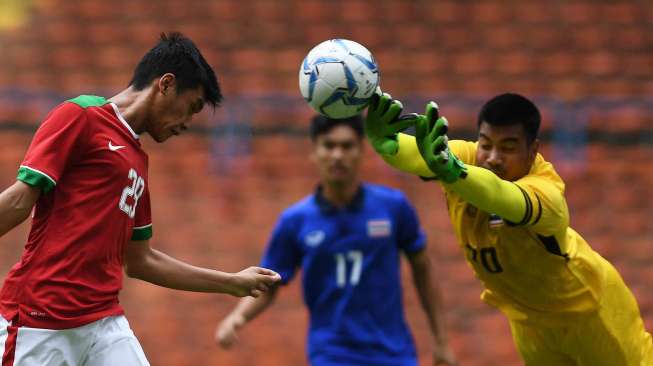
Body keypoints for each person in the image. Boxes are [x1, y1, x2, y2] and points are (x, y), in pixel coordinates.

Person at [0, 32, 281, 366]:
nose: (189, 123)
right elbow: (20, 200)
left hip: (103, 323)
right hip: (40, 319)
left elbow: (141, 261)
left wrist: (231, 282)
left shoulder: (136, 160)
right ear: (165, 84)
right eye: (191, 108)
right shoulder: (81, 116)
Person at [363, 91, 653, 365]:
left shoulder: (546, 192)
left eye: (508, 148)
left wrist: (452, 171)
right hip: (529, 321)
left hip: (588, 313)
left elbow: (502, 196)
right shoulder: (465, 157)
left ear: (532, 150)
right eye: (486, 144)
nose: (493, 158)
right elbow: (416, 154)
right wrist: (386, 145)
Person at [215, 114, 457, 366]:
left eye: (347, 146)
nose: (338, 155)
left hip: (394, 352)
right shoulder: (296, 221)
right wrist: (237, 317)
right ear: (314, 152)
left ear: (362, 151)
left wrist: (441, 341)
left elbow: (423, 269)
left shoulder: (393, 207)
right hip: (332, 354)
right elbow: (269, 282)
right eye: (329, 146)